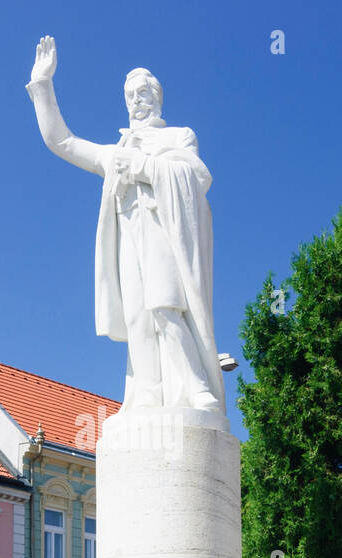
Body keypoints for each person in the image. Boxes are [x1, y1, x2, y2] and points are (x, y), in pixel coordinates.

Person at [25, 35, 225, 411]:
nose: (136, 100)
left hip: (162, 232)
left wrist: (146, 166)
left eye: (143, 93)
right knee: (137, 318)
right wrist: (43, 85)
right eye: (131, 95)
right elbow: (62, 141)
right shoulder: (115, 152)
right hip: (129, 239)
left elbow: (196, 176)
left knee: (166, 306)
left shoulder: (177, 136)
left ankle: (196, 386)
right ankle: (148, 392)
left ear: (157, 97)